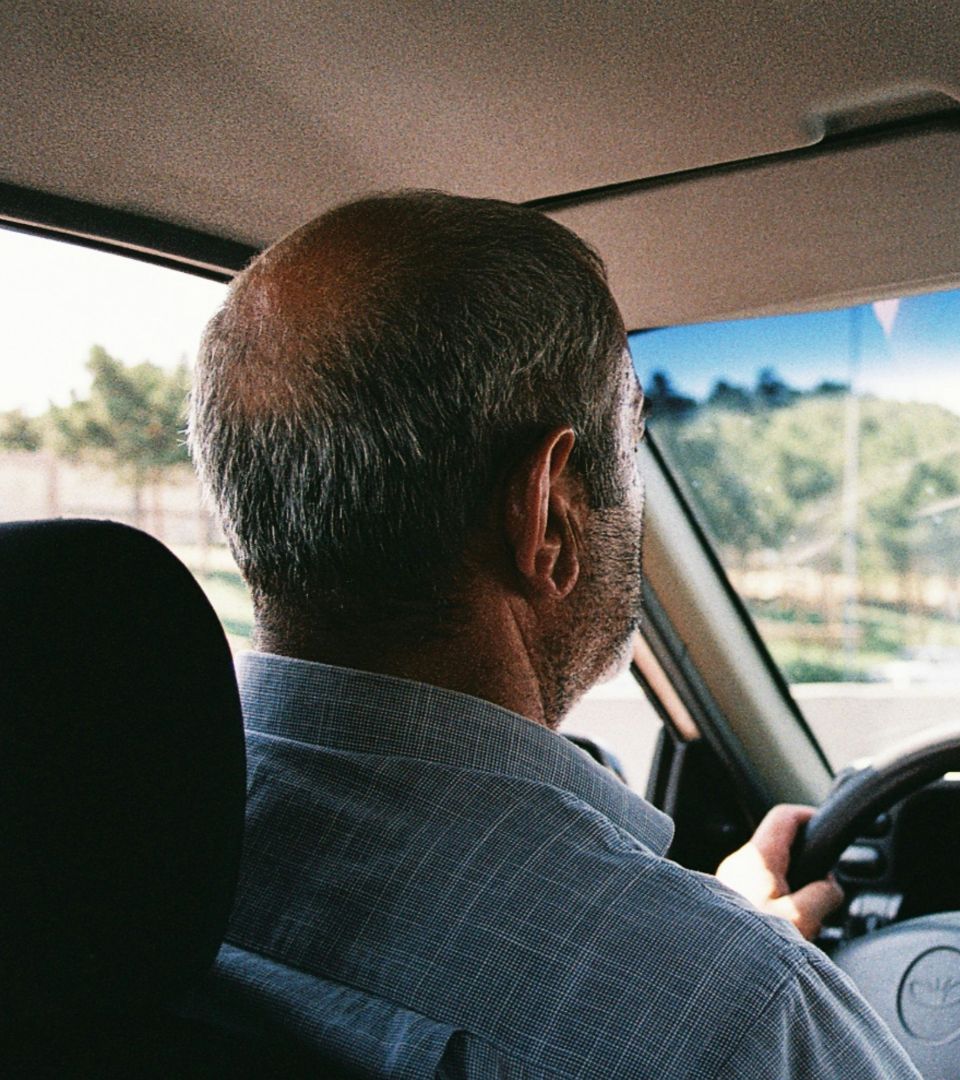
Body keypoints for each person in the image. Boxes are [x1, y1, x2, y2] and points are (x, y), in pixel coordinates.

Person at [187, 191, 921, 1078]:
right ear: (549, 515)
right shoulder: (740, 1020)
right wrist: (705, 969)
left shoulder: (96, 860)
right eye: (633, 439)